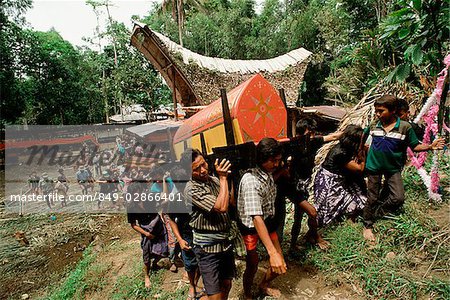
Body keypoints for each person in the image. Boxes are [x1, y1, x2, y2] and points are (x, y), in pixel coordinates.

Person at [362, 95, 445, 243]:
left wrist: (430, 146)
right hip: (373, 166)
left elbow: (415, 146)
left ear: (393, 110)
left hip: (393, 168)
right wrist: (360, 153)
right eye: (376, 111)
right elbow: (364, 136)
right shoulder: (375, 123)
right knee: (372, 196)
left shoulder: (405, 127)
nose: (378, 114)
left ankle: (378, 212)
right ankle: (367, 225)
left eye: (381, 111)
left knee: (398, 198)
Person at [277, 118, 341, 252]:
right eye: (309, 133)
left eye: (313, 133)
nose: (312, 135)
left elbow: (333, 136)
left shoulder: (312, 142)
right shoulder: (292, 144)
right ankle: (314, 237)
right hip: (292, 186)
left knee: (298, 217)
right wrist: (286, 169)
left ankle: (293, 245)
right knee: (312, 212)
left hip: (303, 185)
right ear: (301, 133)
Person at [238, 138, 287, 299]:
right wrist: (271, 252)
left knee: (280, 263)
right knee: (253, 264)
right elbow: (256, 218)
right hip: (251, 227)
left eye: (279, 161)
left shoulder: (267, 173)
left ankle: (263, 285)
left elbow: (269, 182)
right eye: (274, 161)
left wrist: (281, 171)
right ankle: (247, 294)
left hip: (268, 221)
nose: (277, 164)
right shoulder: (250, 181)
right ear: (262, 159)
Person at [184, 149, 234, 300]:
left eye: (203, 164)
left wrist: (230, 178)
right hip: (207, 249)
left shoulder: (214, 180)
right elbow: (221, 207)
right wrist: (224, 178)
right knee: (215, 296)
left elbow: (230, 201)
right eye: (196, 169)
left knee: (226, 284)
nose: (203, 170)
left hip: (224, 244)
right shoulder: (191, 189)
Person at [314, 125, 367, 227]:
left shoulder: (345, 148)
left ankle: (349, 223)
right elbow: (359, 168)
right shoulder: (340, 153)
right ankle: (316, 233)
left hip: (338, 180)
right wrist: (363, 157)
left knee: (351, 203)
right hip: (329, 182)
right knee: (327, 208)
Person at [127, 183, 168, 289]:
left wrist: (164, 182)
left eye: (139, 192)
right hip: (146, 230)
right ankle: (146, 276)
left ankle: (155, 263)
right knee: (147, 253)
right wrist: (146, 234)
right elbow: (133, 225)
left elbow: (163, 197)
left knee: (164, 247)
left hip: (158, 225)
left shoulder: (149, 197)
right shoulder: (131, 207)